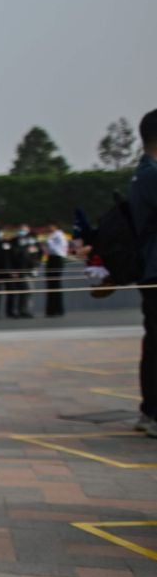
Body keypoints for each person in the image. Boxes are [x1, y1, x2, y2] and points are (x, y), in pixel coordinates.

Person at [132, 109, 157, 438]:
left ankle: (150, 410)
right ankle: (151, 412)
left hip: (150, 268)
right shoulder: (152, 175)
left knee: (154, 343)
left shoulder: (143, 173)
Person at [11, 224, 40, 318]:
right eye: (21, 230)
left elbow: (37, 254)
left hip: (30, 269)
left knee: (29, 291)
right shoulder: (14, 241)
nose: (23, 232)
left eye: (25, 230)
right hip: (19, 269)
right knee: (26, 289)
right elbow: (12, 256)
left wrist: (36, 266)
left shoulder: (31, 241)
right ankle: (21, 310)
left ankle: (24, 310)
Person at [44, 221, 68, 317]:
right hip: (51, 259)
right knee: (51, 285)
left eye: (51, 226)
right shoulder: (53, 235)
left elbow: (57, 250)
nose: (49, 228)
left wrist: (49, 242)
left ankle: (57, 309)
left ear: (56, 226)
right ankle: (51, 310)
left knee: (55, 284)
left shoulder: (59, 236)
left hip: (56, 259)